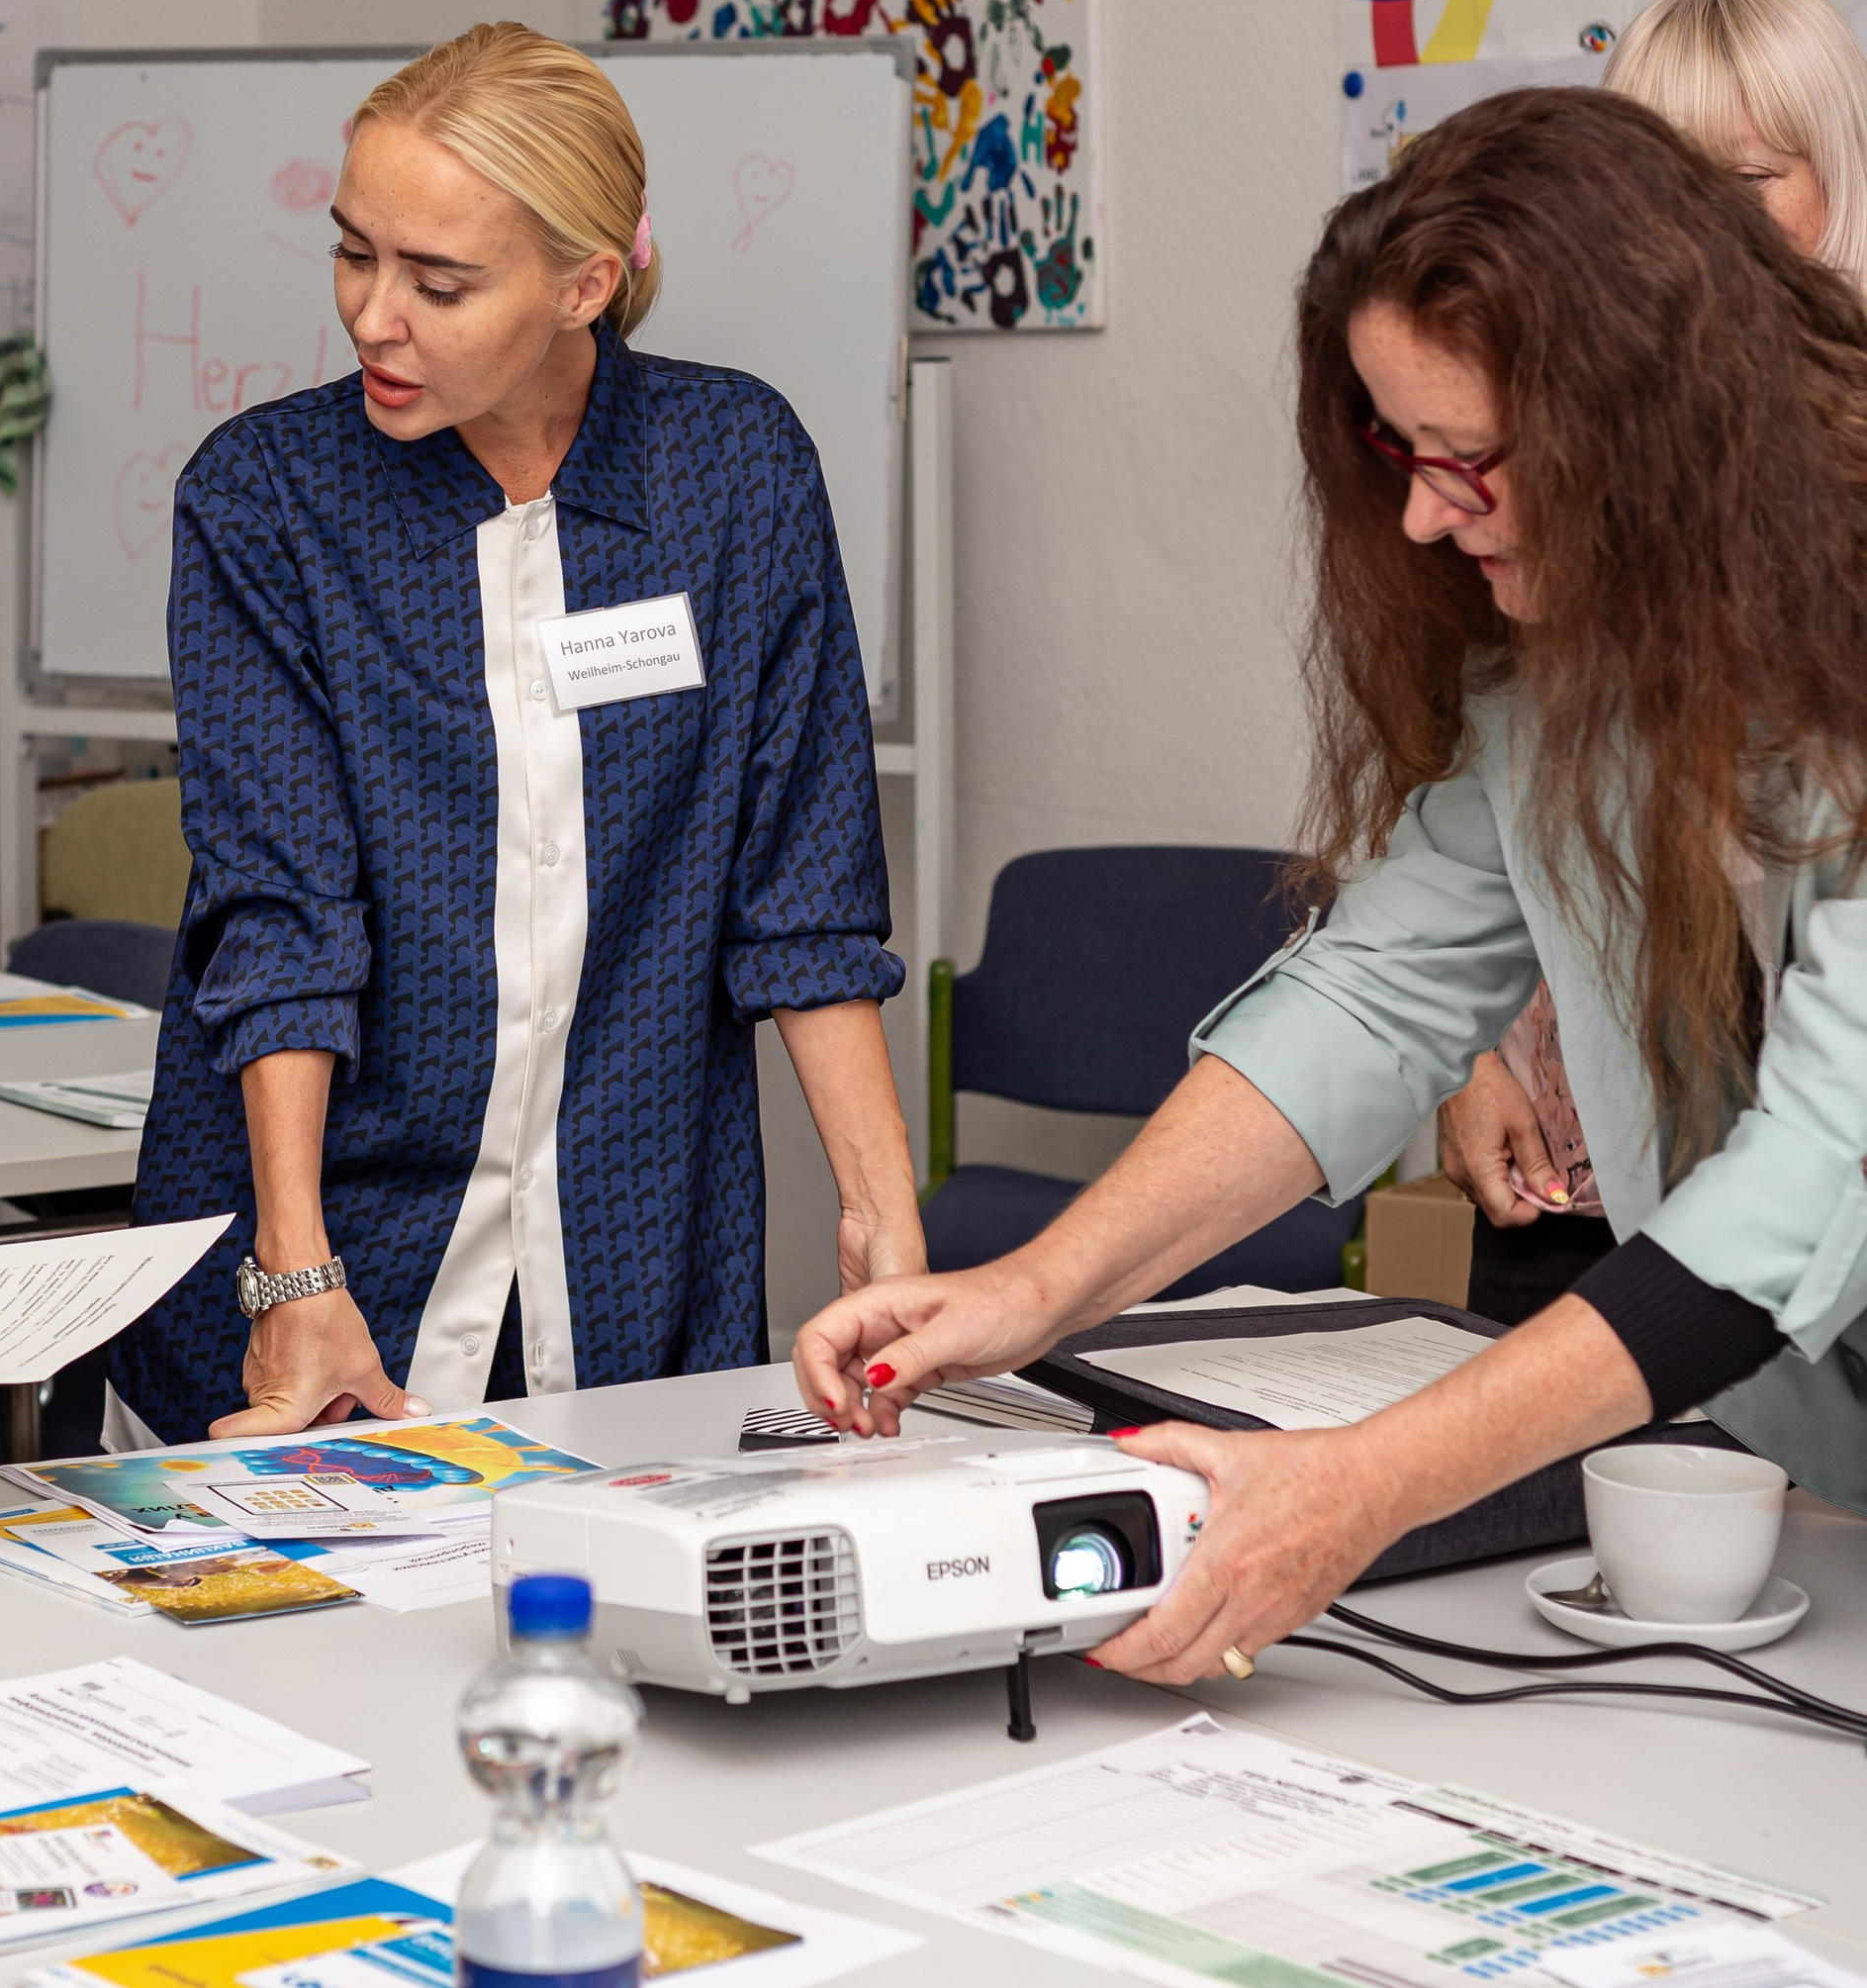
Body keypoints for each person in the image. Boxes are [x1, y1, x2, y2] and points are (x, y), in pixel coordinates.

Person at [795, 85, 1867, 1681]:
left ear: (1653, 421)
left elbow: (1819, 1170)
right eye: (1402, 450)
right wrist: (1037, 1289)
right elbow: (1376, 992)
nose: (1428, 515)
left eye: (1476, 459)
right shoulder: (1578, 663)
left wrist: (1363, 1487)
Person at [114, 22, 923, 1443]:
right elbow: (282, 919)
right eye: (354, 253)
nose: (374, 316)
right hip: (324, 1274)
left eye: (439, 281)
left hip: (632, 1260)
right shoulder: (268, 502)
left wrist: (883, 1222)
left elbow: (802, 899)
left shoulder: (732, 472)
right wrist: (295, 1272)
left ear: (584, 284)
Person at [1443, 0, 1867, 1319]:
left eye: (1747, 181)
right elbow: (1460, 835)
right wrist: (1465, 1059)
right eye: (1667, 196)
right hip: (1582, 1169)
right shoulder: (1573, 475)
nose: (1702, 242)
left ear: (1840, 178)